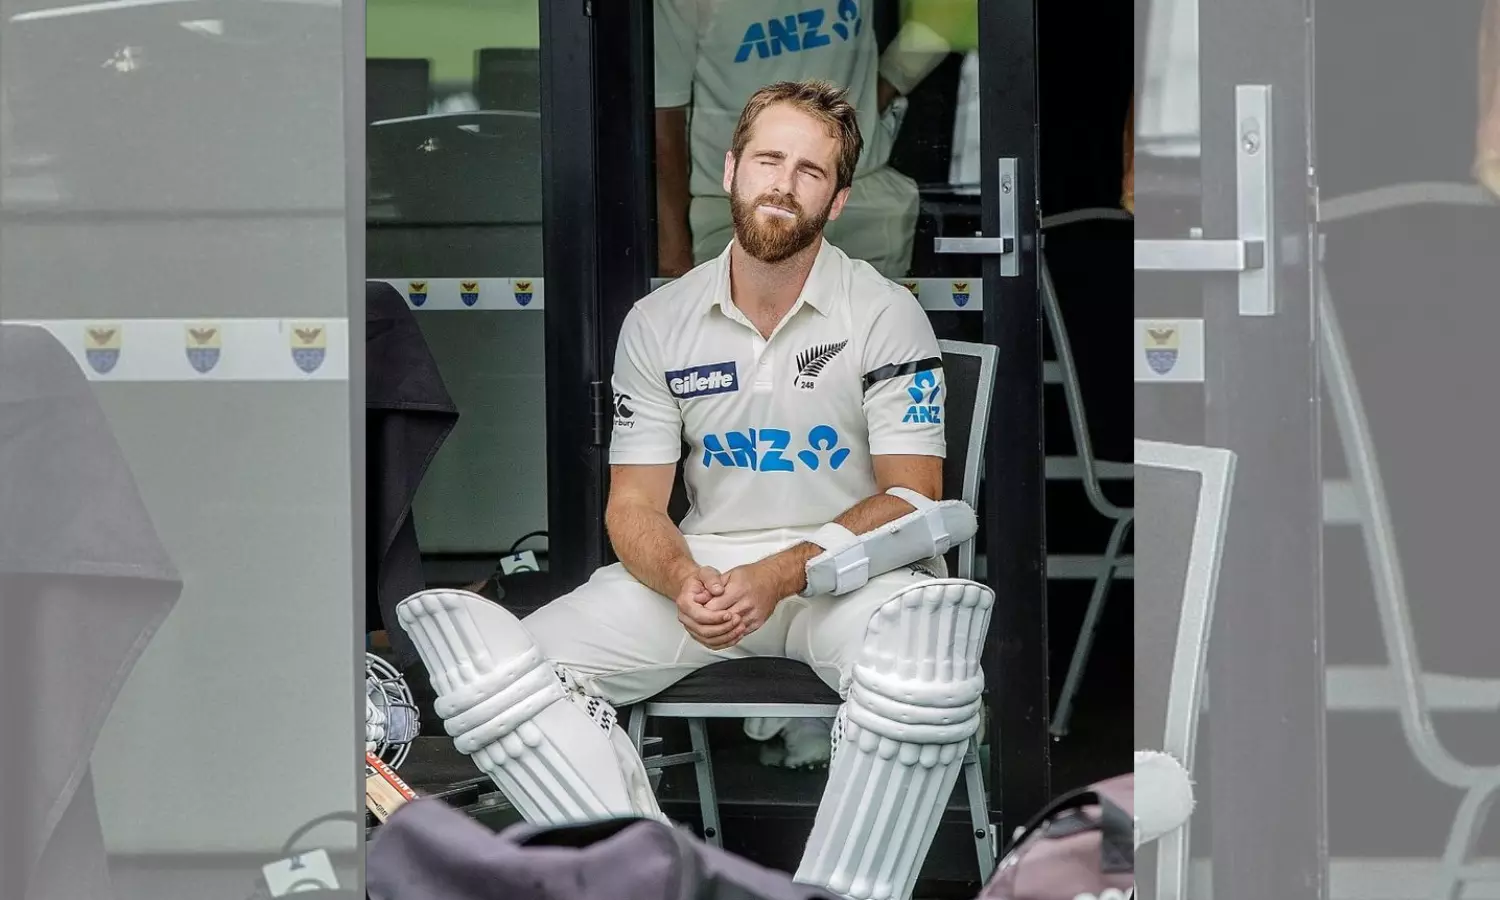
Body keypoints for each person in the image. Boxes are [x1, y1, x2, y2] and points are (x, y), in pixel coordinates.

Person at [396, 80, 992, 900]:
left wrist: (779, 574)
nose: (783, 184)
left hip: (851, 579)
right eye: (769, 160)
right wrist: (683, 580)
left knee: (924, 669)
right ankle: (651, 883)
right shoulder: (660, 320)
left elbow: (913, 499)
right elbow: (634, 506)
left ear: (838, 199)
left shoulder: (884, 311)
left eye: (811, 171)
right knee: (498, 675)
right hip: (707, 578)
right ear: (731, 169)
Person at [654, 0, 953, 280]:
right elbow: (663, 121)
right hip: (740, 213)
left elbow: (952, 9)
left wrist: (887, 84)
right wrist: (674, 258)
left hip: (858, 200)